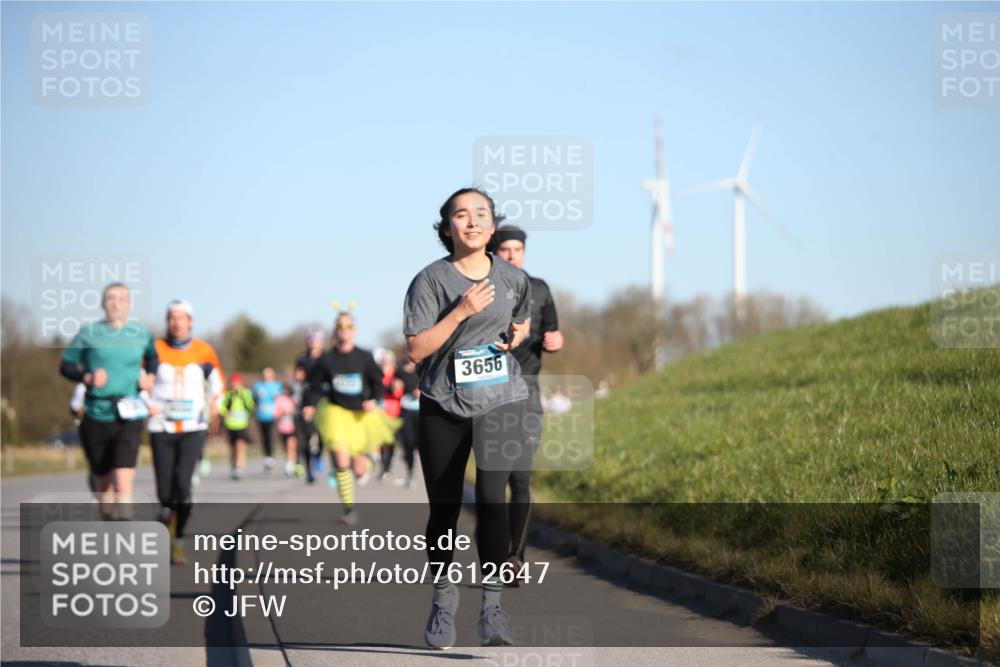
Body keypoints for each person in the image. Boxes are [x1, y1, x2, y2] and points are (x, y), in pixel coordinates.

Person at [404, 187, 531, 648]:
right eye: (461, 215)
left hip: (501, 399)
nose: (472, 221)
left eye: (481, 214)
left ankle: (492, 608)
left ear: (493, 226)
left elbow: (522, 321)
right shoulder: (429, 280)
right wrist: (461, 311)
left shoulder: (513, 278)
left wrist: (517, 336)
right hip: (443, 403)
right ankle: (443, 601)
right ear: (447, 228)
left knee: (493, 500)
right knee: (445, 509)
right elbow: (416, 349)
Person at [490, 224, 563, 581]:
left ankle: (514, 558)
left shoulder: (540, 289)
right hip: (489, 391)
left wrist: (556, 341)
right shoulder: (484, 289)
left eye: (517, 250)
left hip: (528, 389)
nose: (512, 256)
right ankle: (494, 550)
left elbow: (554, 331)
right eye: (505, 250)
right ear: (495, 252)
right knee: (495, 479)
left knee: (520, 476)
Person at [59, 282, 158, 519]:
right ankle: (108, 517)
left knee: (123, 480)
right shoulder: (88, 333)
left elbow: (153, 358)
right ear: (103, 304)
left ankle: (125, 528)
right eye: (111, 298)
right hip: (96, 413)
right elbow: (65, 366)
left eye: (121, 299)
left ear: (129, 304)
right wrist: (86, 377)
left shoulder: (141, 333)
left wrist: (151, 376)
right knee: (103, 485)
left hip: (129, 412)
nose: (116, 303)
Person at [147, 299, 225, 564]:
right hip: (161, 426)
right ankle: (167, 517)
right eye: (172, 317)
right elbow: (138, 380)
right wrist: (147, 403)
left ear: (190, 322)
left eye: (181, 318)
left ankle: (178, 539)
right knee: (164, 491)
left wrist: (215, 405)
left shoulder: (204, 350)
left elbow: (218, 383)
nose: (176, 322)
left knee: (183, 485)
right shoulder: (154, 350)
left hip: (193, 427)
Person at [302, 312, 384, 525]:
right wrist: (310, 404)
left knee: (358, 468)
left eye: (348, 326)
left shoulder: (364, 357)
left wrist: (373, 400)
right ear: (335, 330)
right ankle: (349, 510)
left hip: (360, 416)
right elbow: (315, 386)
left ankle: (367, 464)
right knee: (341, 461)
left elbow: (378, 383)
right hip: (336, 414)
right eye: (340, 326)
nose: (344, 330)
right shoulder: (326, 360)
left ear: (354, 330)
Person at [295, 329, 326, 483]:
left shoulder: (326, 358)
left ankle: (319, 455)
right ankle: (309, 471)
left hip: (322, 398)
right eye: (311, 339)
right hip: (306, 399)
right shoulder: (302, 359)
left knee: (322, 434)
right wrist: (299, 377)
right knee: (306, 436)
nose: (313, 342)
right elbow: (299, 377)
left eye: (316, 339)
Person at [374, 348, 405, 481]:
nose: (386, 364)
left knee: (391, 441)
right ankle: (383, 466)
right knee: (382, 441)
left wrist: (394, 387)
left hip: (394, 412)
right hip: (381, 413)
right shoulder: (378, 375)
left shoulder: (397, 375)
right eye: (384, 361)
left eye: (389, 361)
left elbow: (399, 392)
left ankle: (388, 466)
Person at [220, 374, 255, 479]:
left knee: (241, 445)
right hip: (230, 425)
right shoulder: (228, 394)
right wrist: (226, 413)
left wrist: (243, 396)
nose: (235, 385)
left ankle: (240, 468)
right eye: (234, 383)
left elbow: (251, 406)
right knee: (233, 448)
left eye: (237, 383)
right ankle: (233, 466)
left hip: (242, 424)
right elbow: (222, 407)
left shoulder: (246, 393)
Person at [394, 359, 421, 489]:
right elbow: (392, 388)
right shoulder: (399, 372)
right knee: (408, 443)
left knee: (422, 444)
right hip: (405, 411)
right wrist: (396, 386)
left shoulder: (423, 369)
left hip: (422, 412)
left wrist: (421, 391)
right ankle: (410, 473)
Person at [252, 367, 282, 472]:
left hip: (272, 415)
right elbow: (253, 399)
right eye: (264, 374)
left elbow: (281, 400)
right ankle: (266, 457)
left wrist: (276, 398)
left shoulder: (277, 386)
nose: (266, 376)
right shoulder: (258, 386)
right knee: (263, 437)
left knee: (270, 436)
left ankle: (271, 456)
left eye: (268, 373)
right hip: (261, 415)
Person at [273, 382, 299, 477]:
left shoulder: (293, 399)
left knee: (291, 445)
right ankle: (288, 461)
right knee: (285, 446)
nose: (285, 391)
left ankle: (292, 464)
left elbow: (297, 411)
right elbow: (276, 413)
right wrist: (283, 414)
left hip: (293, 426)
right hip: (283, 427)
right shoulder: (279, 400)